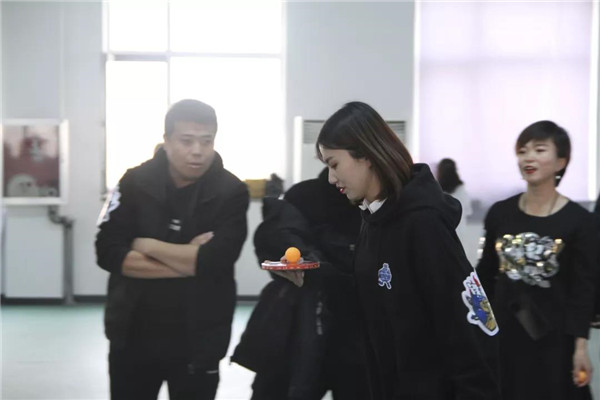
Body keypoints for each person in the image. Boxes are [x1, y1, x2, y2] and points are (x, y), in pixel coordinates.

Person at [315, 101, 501, 399]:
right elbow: (376, 295)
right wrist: (314, 275)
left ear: (366, 155)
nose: (331, 178)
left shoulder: (422, 224)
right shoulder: (374, 219)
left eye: (334, 164)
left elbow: (466, 329)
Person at [95, 99, 249, 400]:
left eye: (206, 141)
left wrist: (147, 245)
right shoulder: (134, 182)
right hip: (133, 331)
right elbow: (107, 251)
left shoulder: (231, 191)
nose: (197, 151)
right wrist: (189, 260)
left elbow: (217, 259)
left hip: (200, 335)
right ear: (166, 140)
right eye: (186, 141)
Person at [476, 121, 595, 400]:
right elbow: (485, 274)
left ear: (561, 162)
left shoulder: (580, 221)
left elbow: (583, 290)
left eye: (539, 150)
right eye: (523, 151)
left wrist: (580, 347)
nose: (528, 157)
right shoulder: (500, 213)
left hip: (553, 340)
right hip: (504, 334)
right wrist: (476, 329)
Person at [231, 167, 369, 400]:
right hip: (297, 322)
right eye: (332, 162)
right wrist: (309, 263)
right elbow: (277, 238)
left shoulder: (381, 203)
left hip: (361, 331)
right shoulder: (304, 196)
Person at [436, 158, 473, 245]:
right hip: (460, 231)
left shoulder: (436, 190)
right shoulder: (461, 190)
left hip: (442, 232)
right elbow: (468, 211)